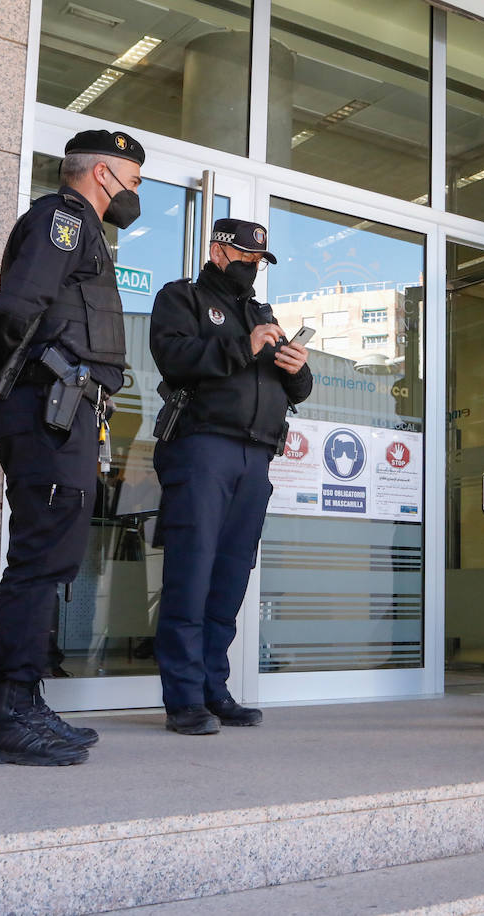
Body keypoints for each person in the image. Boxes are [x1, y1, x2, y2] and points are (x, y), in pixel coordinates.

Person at [0, 129, 145, 765]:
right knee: (38, 561)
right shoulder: (62, 219)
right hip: (48, 412)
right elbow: (16, 308)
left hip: (68, 416)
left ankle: (26, 705)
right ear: (103, 174)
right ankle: (8, 718)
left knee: (52, 558)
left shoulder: (83, 230)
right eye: (133, 181)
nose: (136, 195)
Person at [148, 218, 313, 735]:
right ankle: (182, 698)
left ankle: (213, 688)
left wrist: (295, 366)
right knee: (191, 573)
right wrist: (245, 346)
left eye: (261, 260)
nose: (254, 267)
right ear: (219, 251)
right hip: (203, 449)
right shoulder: (184, 298)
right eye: (246, 257)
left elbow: (297, 391)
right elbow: (173, 358)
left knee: (230, 578)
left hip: (256, 457)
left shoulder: (261, 312)